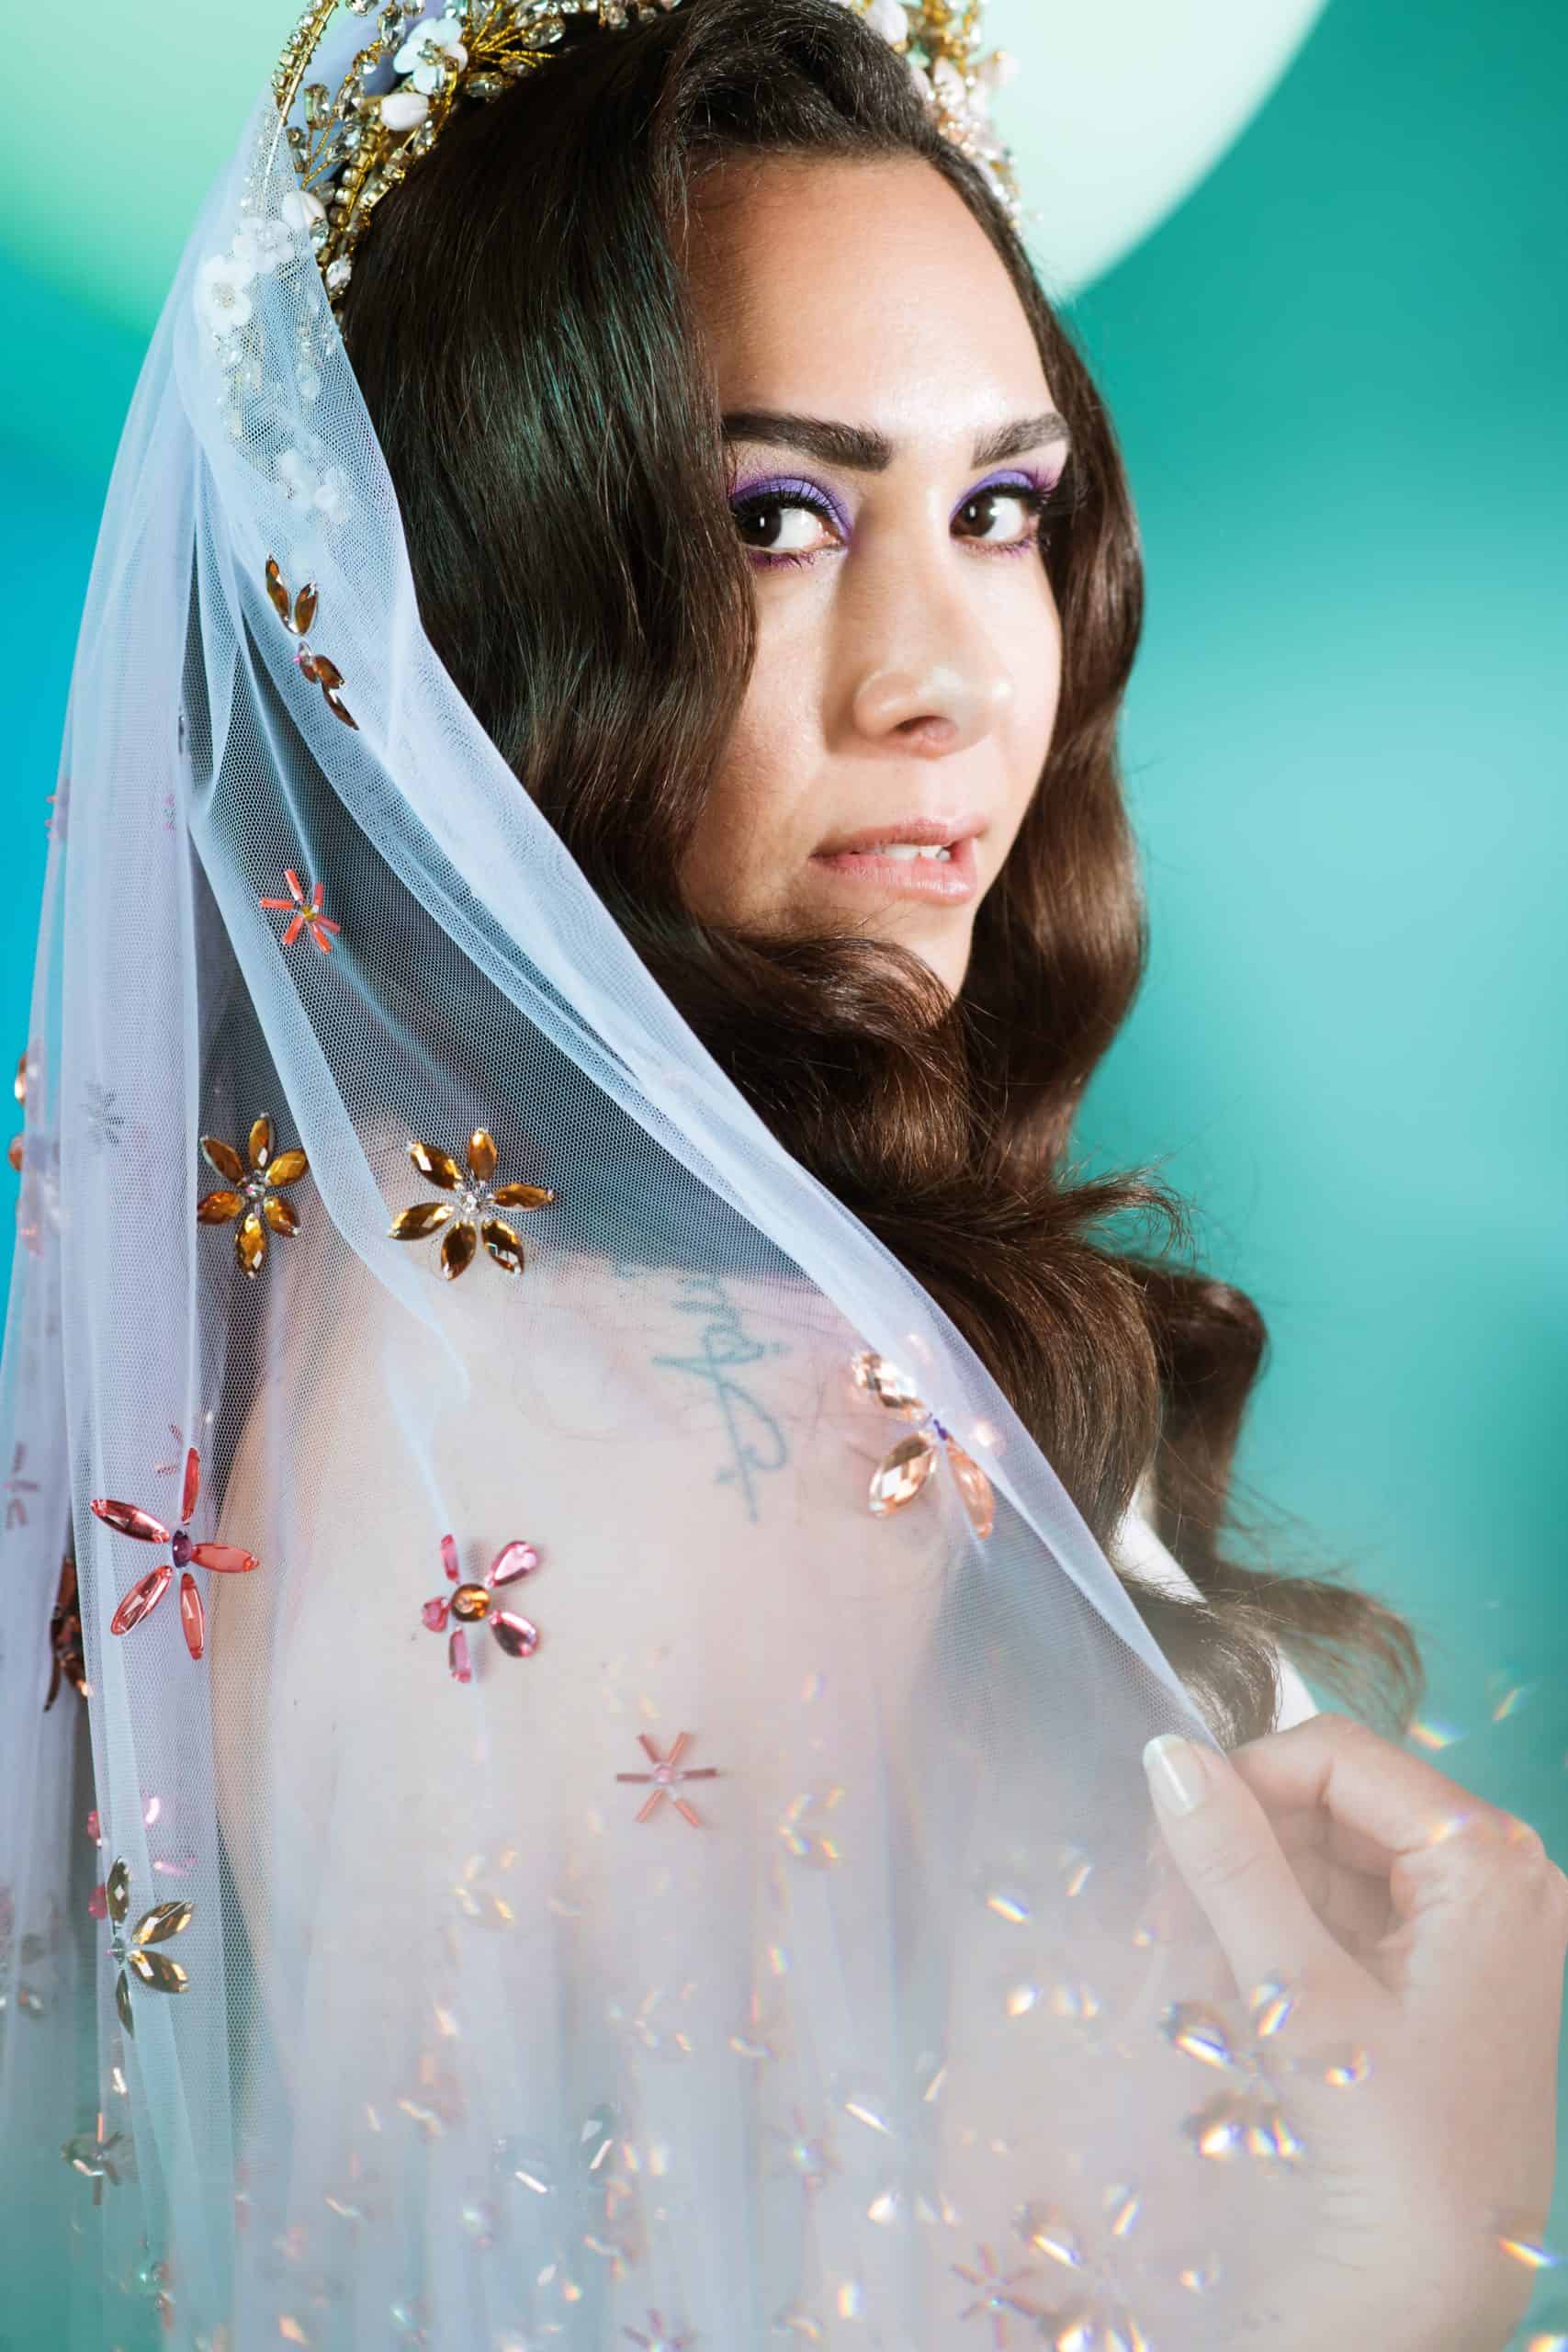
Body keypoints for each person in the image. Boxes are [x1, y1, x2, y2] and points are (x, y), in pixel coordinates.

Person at [0, 2, 1560, 2346]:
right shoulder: (763, 1398)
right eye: (774, 519)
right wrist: (1411, 2265)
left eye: (998, 508)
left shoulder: (336, 1290)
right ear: (472, 592)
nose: (947, 679)